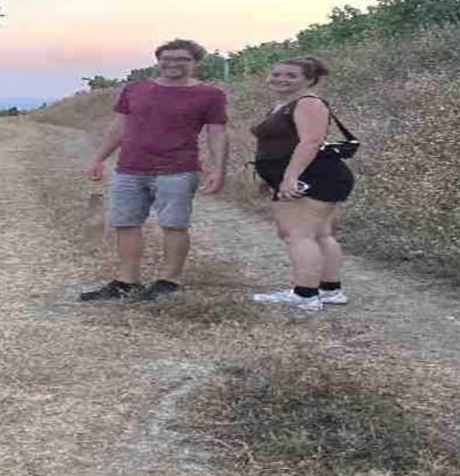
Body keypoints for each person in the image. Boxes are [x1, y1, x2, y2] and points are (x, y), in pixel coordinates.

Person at [82, 39, 228, 301]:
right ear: (158, 61)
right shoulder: (135, 89)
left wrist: (219, 168)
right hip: (130, 167)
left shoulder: (210, 95)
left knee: (174, 225)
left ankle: (168, 282)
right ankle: (127, 282)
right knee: (125, 223)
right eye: (167, 58)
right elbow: (119, 127)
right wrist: (99, 158)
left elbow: (217, 132)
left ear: (195, 63)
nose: (173, 64)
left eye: (182, 59)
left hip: (178, 169)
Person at [248, 56, 355, 312]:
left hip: (313, 176)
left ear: (309, 79)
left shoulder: (308, 103)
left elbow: (310, 142)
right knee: (320, 233)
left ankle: (305, 294)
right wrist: (269, 177)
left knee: (298, 234)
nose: (281, 79)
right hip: (307, 176)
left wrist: (290, 177)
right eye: (277, 74)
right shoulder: (283, 105)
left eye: (291, 75)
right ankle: (330, 290)